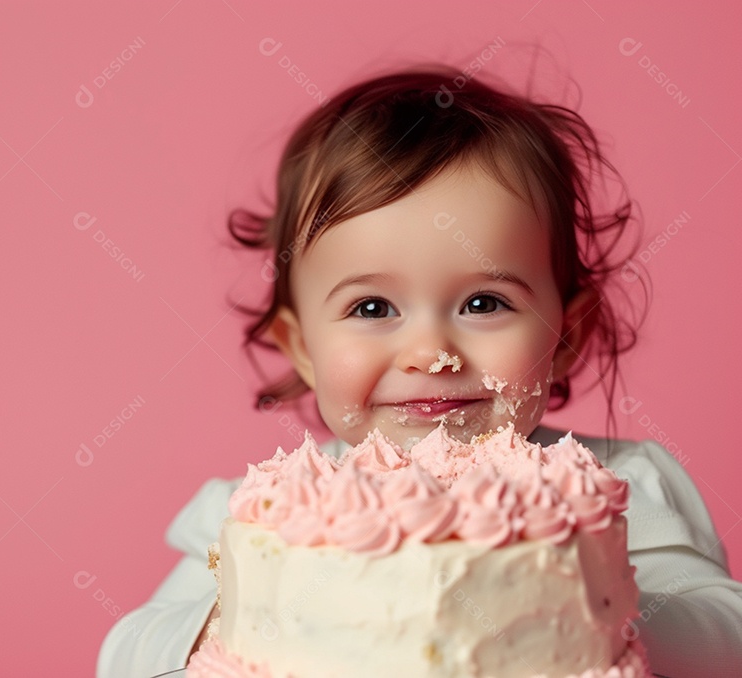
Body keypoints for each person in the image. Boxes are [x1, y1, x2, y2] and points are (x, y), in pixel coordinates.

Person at [97, 66, 742, 677]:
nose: (431, 353)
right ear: (302, 348)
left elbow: (728, 638)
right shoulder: (261, 511)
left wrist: (583, 610)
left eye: (483, 304)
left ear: (567, 335)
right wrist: (258, 608)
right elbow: (124, 655)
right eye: (372, 308)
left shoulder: (620, 485)